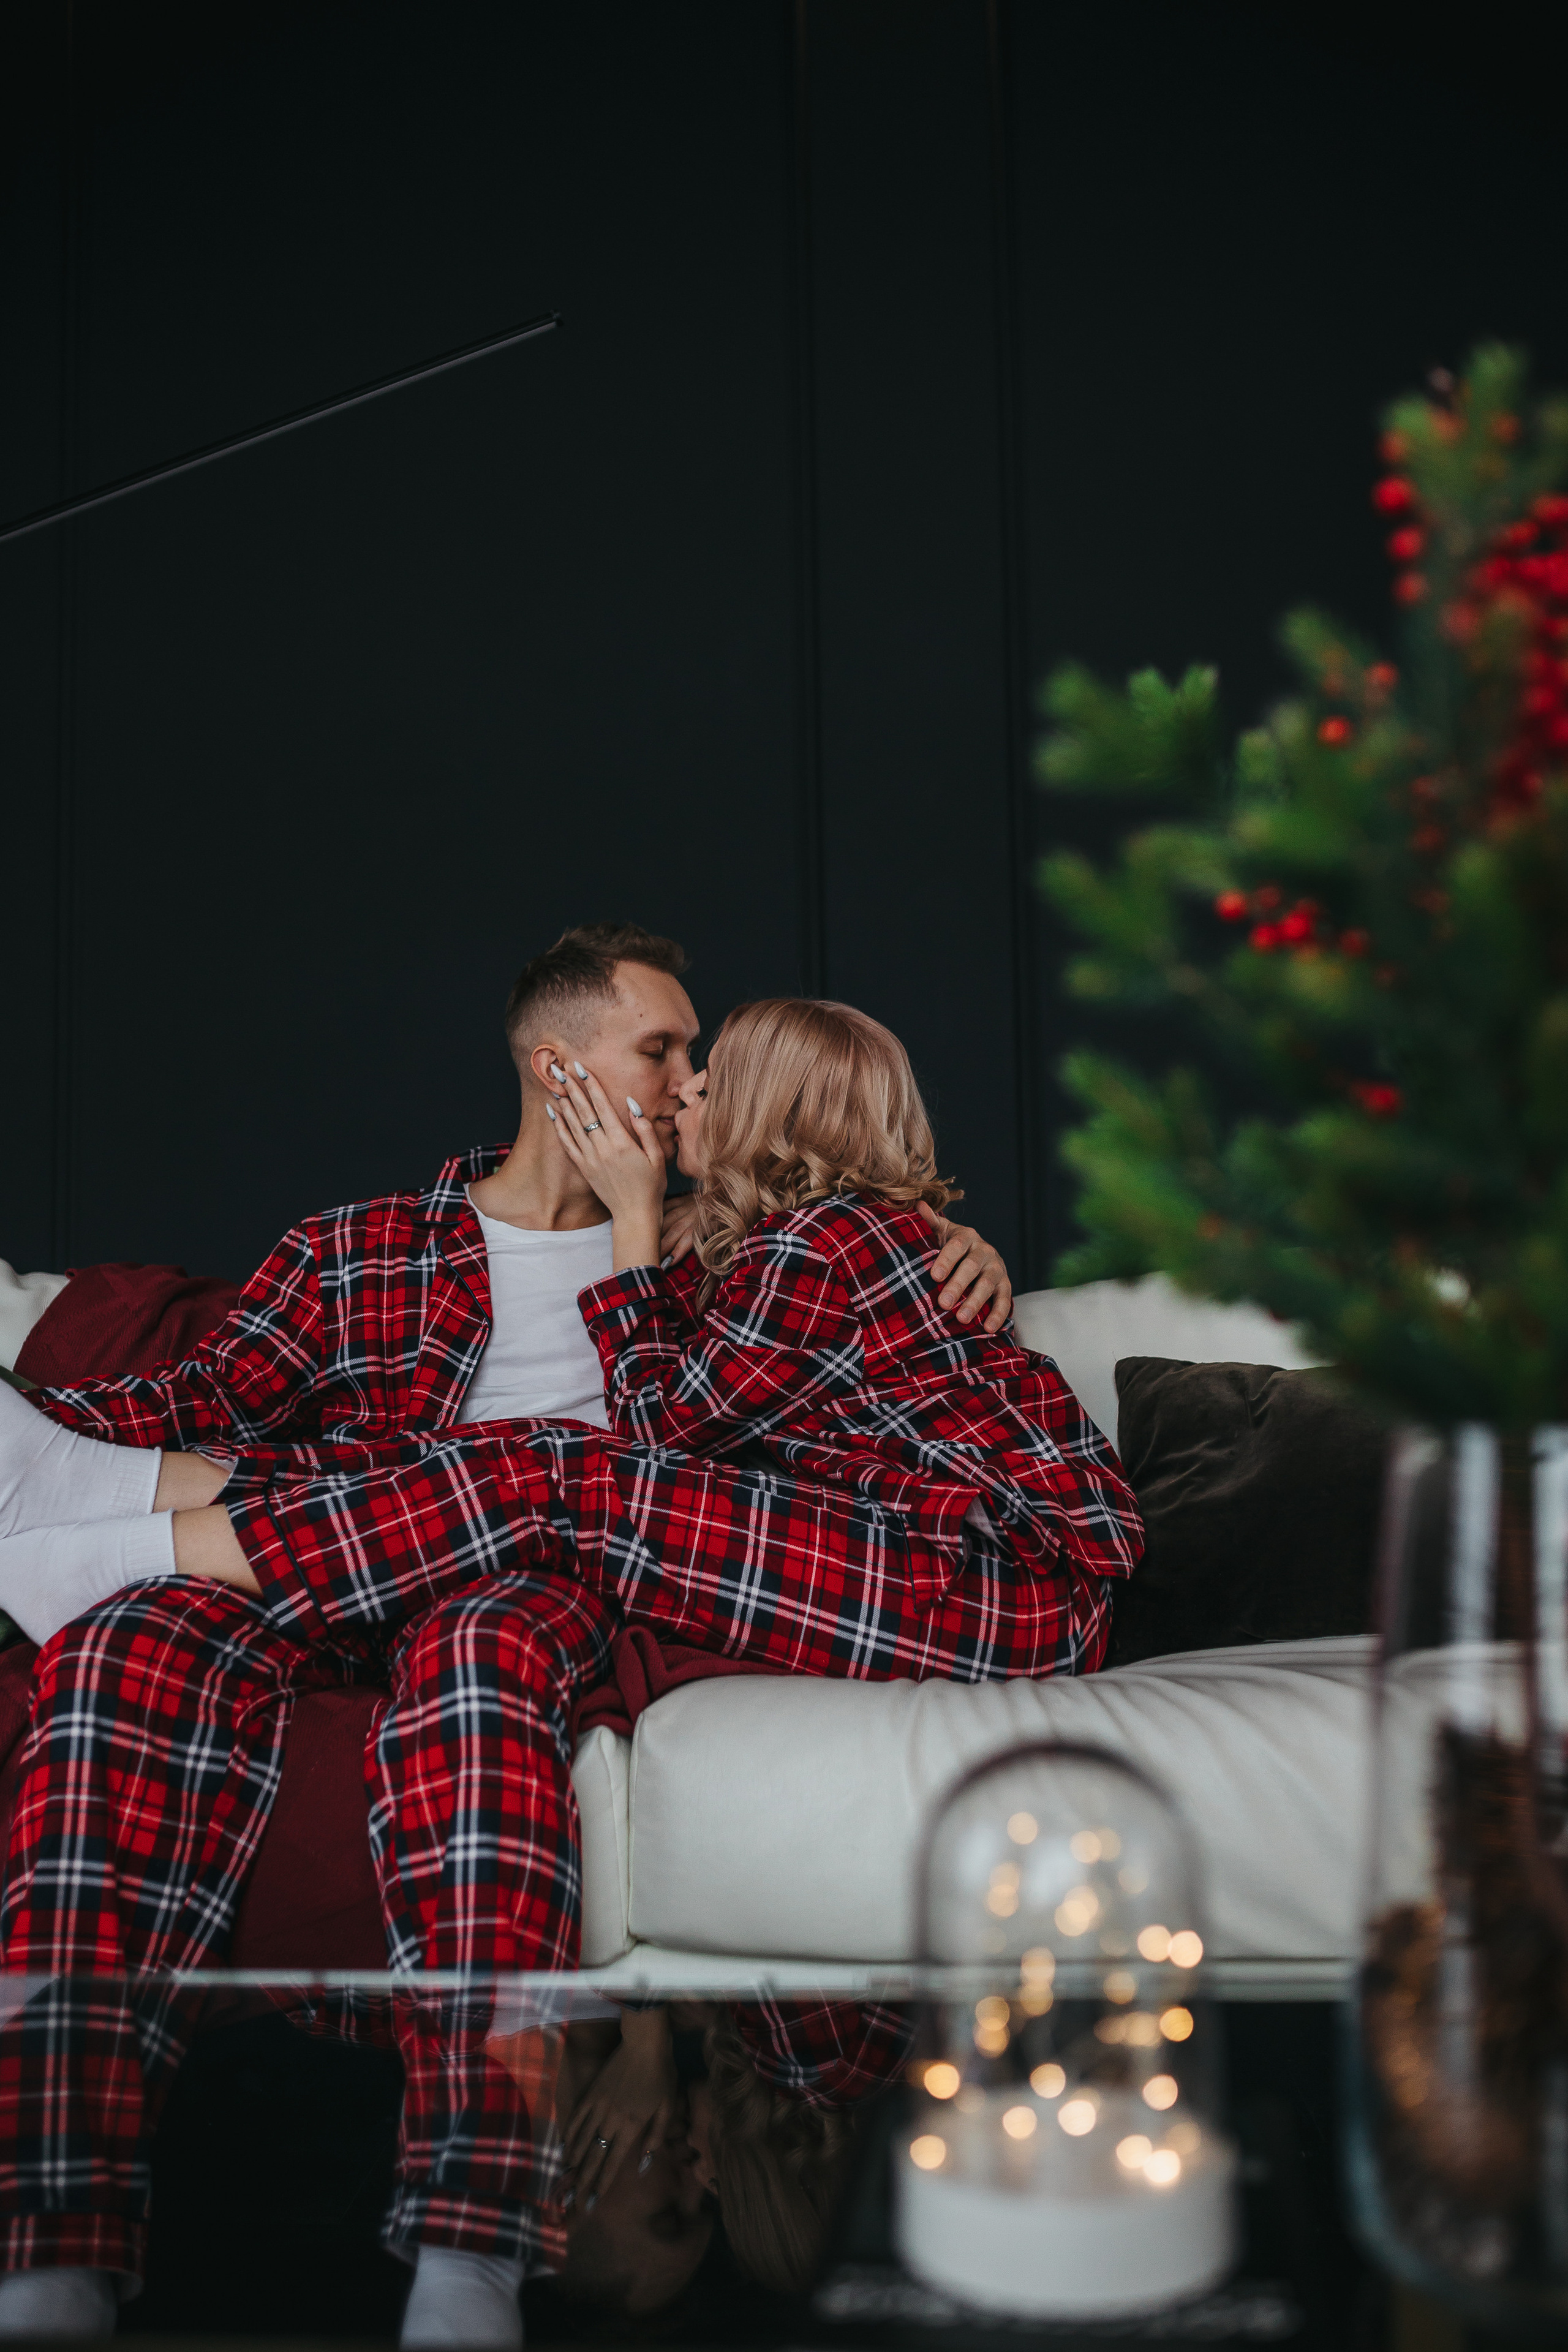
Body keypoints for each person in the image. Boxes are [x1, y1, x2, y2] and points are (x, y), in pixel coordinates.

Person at [0, 933, 1024, 2344]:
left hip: (520, 1588)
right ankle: (53, 2238)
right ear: (560, 1071)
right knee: (121, 1651)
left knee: (480, 1652)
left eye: (697, 1063)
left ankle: (471, 2243)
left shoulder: (717, 1264)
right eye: (662, 1054)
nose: (689, 1089)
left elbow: (853, 1315)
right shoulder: (358, 1252)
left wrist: (944, 1238)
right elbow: (189, 1401)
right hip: (312, 1589)